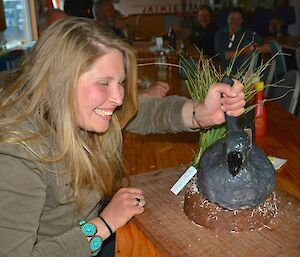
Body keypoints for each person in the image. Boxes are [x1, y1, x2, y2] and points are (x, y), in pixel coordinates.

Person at [0, 17, 245, 256]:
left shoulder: (80, 110)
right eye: (104, 83)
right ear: (59, 82)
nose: (118, 97)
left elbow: (147, 112)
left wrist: (200, 114)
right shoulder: (17, 156)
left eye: (121, 82)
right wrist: (104, 225)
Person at [214, 7, 272, 74]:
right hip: (222, 71)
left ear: (242, 21)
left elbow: (268, 46)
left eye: (237, 19)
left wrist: (254, 48)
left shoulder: (248, 33)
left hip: (243, 73)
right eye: (232, 18)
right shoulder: (219, 34)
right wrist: (243, 51)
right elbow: (223, 55)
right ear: (227, 19)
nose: (234, 21)